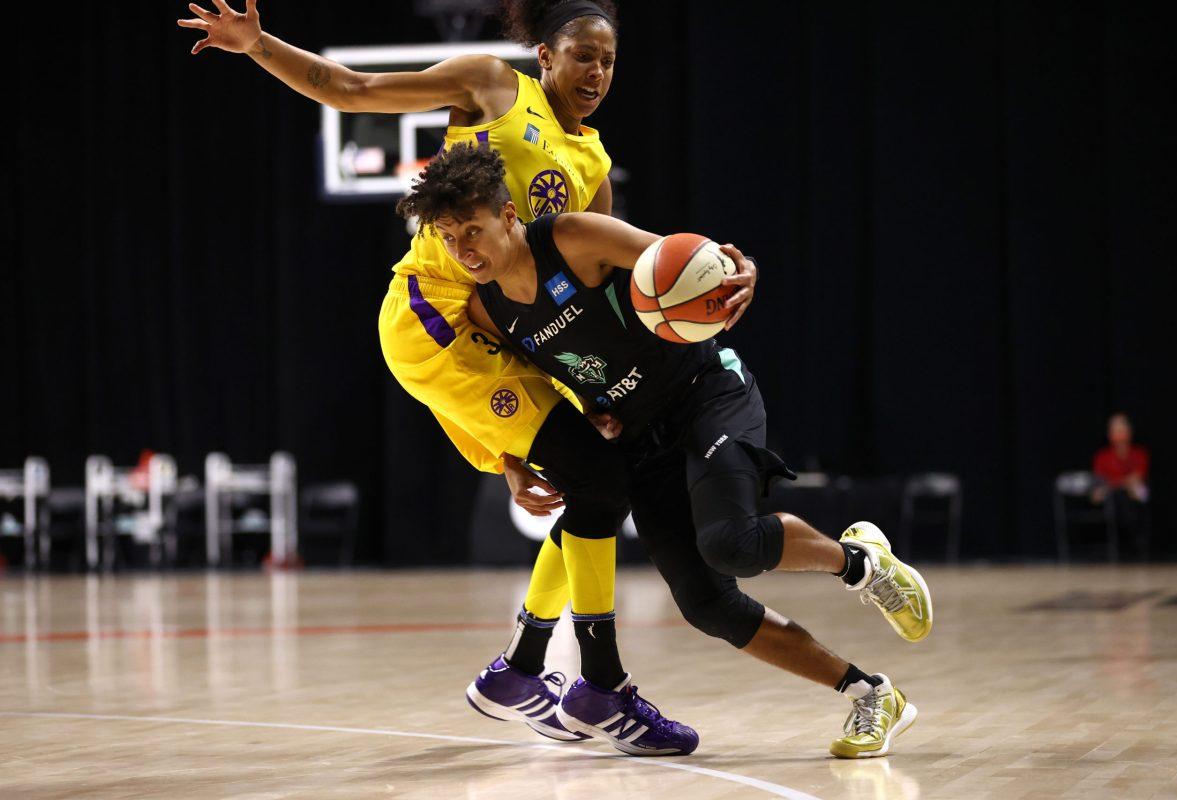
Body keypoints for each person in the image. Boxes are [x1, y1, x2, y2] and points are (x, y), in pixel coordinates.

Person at [178, 0, 702, 754]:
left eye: (609, 60)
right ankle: (595, 685)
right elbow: (348, 89)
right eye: (582, 54)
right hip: (432, 318)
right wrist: (259, 45)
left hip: (505, 337)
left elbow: (581, 300)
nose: (596, 72)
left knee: (595, 477)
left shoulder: (592, 170)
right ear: (545, 55)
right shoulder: (491, 86)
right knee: (597, 478)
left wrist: (592, 394)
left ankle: (521, 673)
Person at [400, 143, 935, 759]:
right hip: (637, 434)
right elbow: (523, 392)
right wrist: (512, 466)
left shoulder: (573, 237)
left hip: (705, 393)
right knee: (707, 605)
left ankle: (859, 563)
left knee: (729, 541)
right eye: (446, 236)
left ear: (508, 216)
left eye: (473, 229)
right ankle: (871, 694)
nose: (464, 249)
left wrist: (743, 269)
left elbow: (689, 261)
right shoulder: (484, 310)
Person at [1091, 413, 1151, 554]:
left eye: (1122, 430)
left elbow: (1137, 478)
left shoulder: (1139, 454)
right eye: (1115, 431)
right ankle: (1118, 544)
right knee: (1108, 496)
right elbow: (1100, 481)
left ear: (1129, 432)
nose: (1119, 435)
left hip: (1134, 493)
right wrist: (1121, 483)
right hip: (1111, 495)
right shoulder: (1102, 456)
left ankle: (1137, 543)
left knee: (1136, 493)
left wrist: (1117, 483)